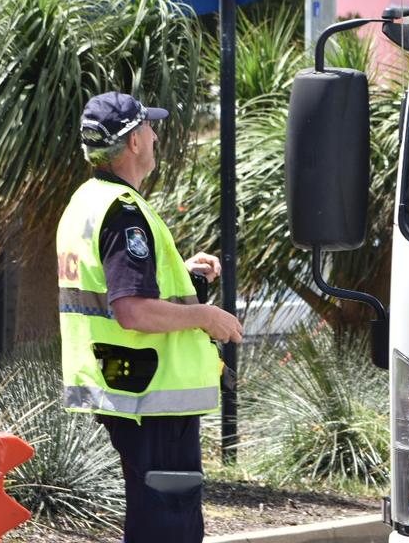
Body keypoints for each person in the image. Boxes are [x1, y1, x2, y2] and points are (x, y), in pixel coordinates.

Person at [56, 91, 242, 543]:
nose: (156, 135)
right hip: (151, 393)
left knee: (153, 516)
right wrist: (205, 315)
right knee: (167, 526)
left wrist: (186, 274)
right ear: (134, 141)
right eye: (149, 128)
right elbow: (131, 310)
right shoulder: (124, 214)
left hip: (127, 384)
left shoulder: (88, 200)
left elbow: (120, 286)